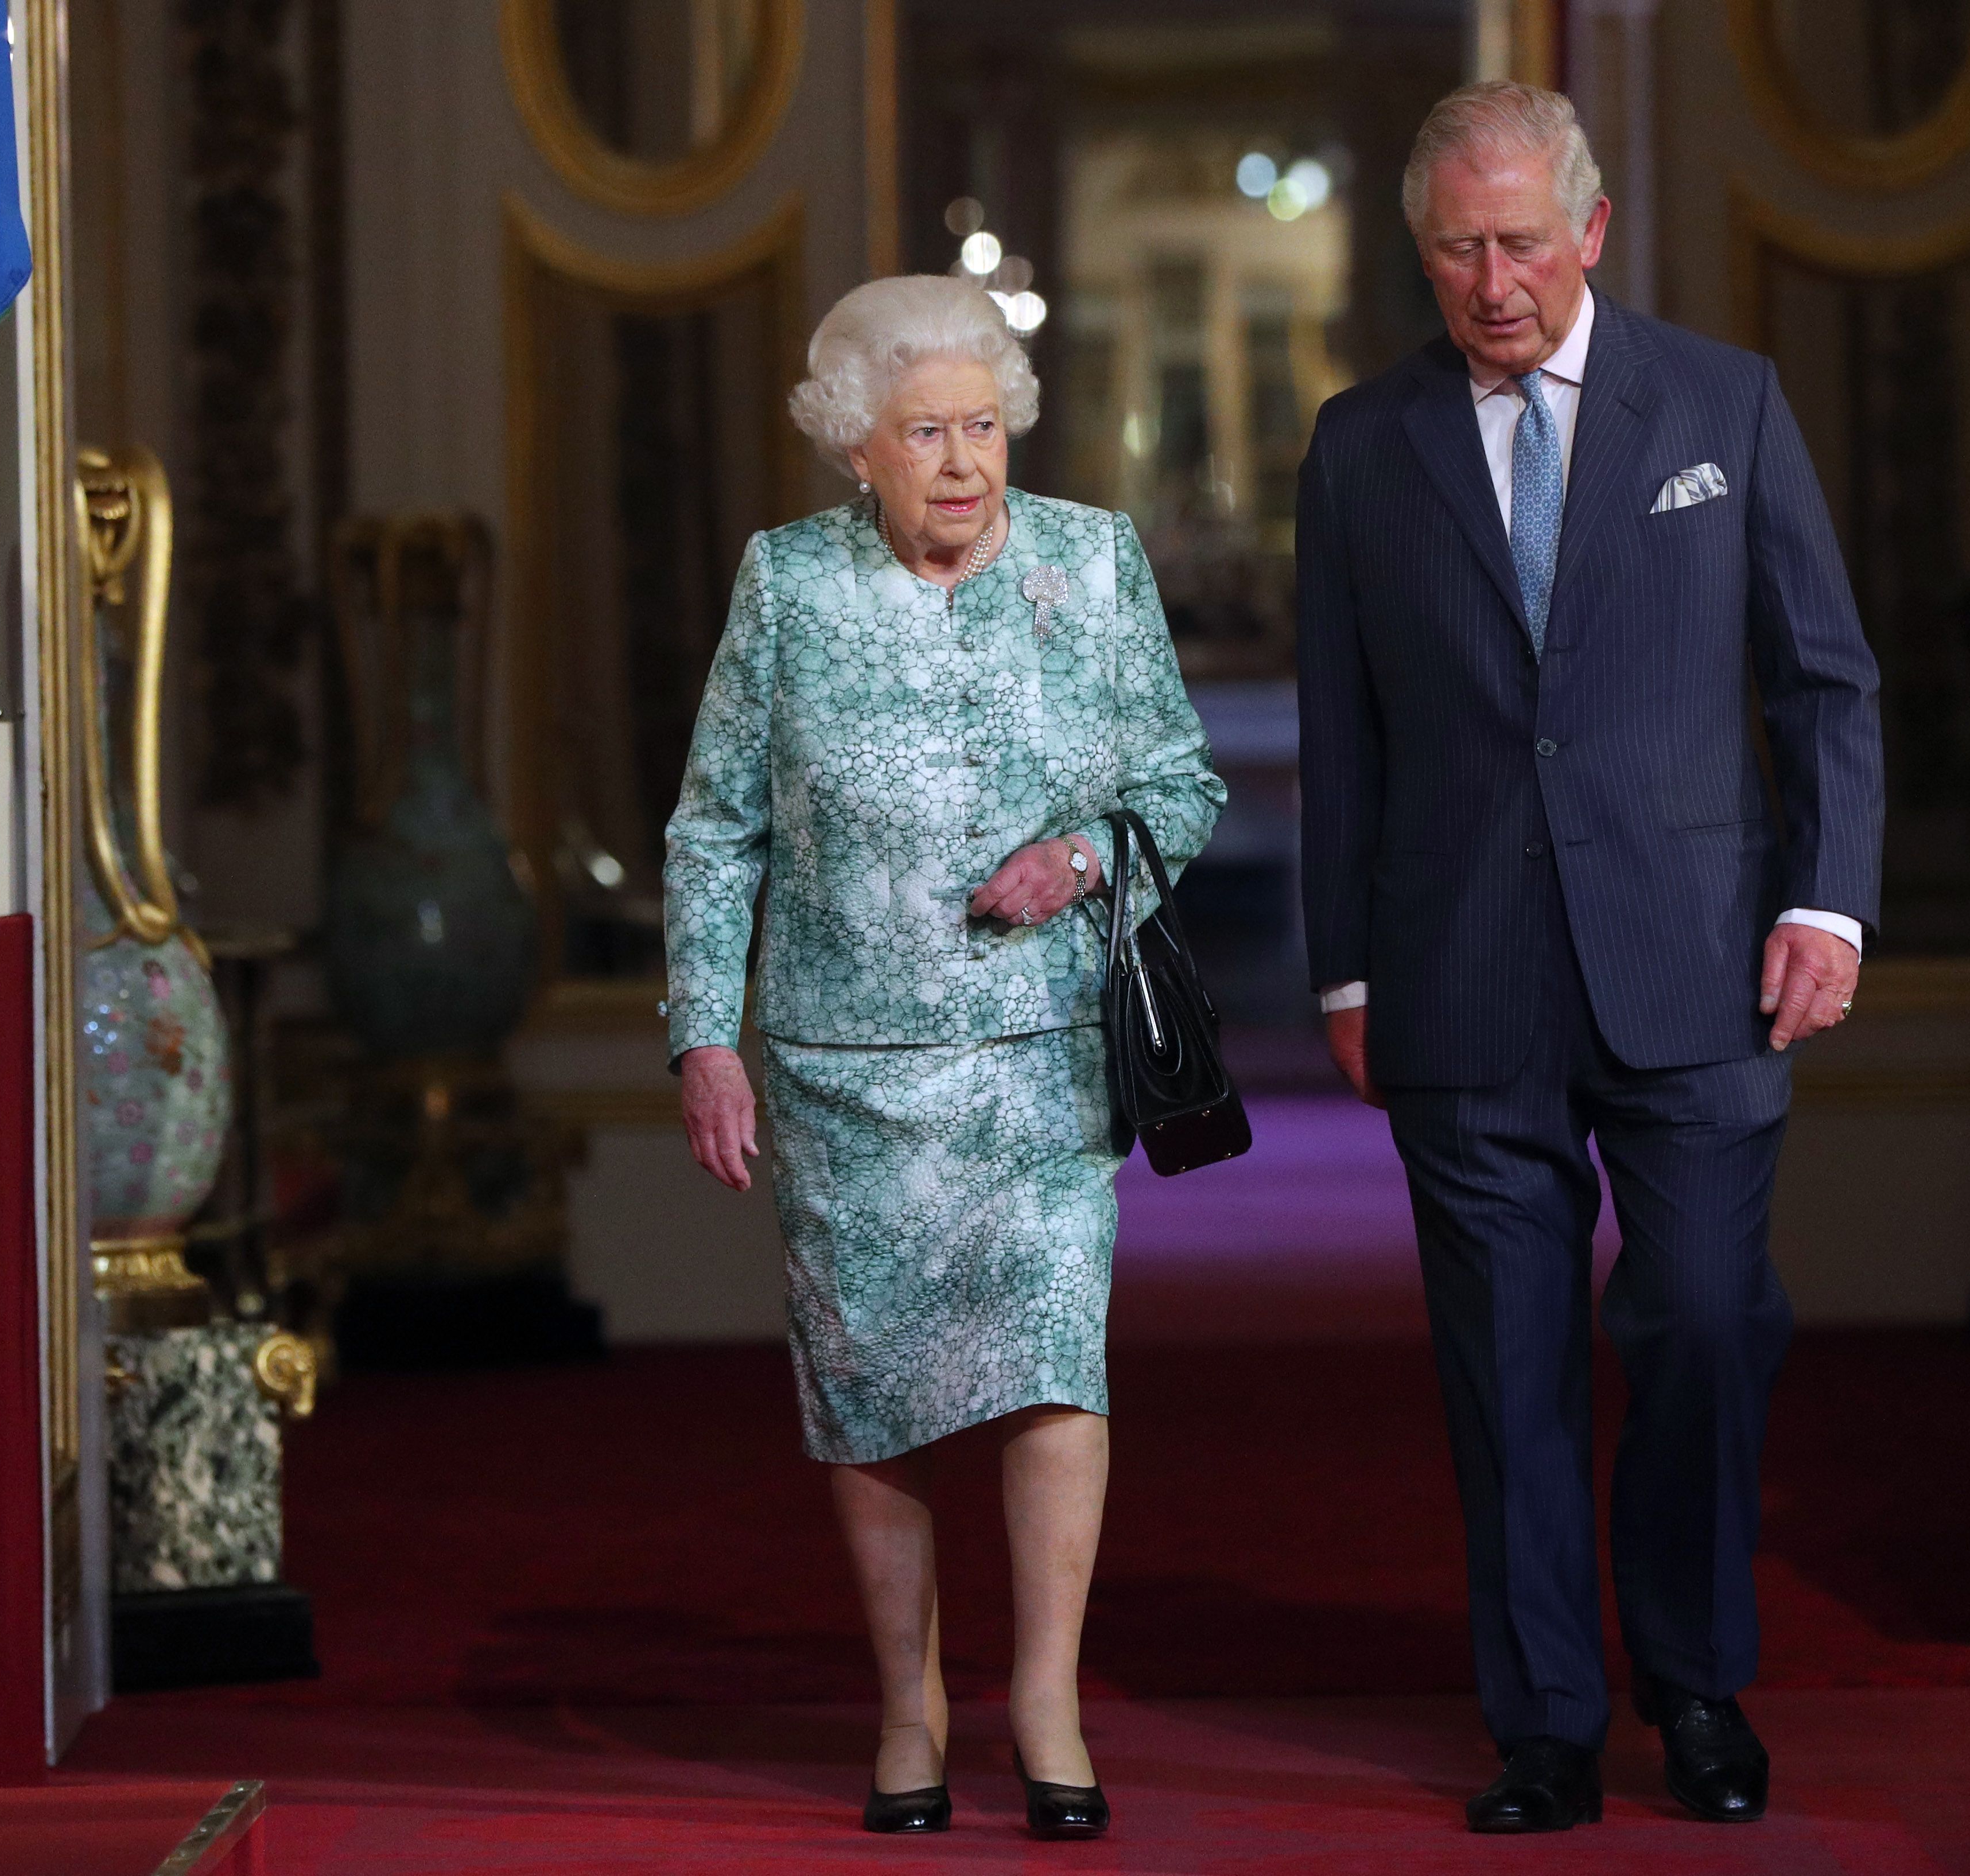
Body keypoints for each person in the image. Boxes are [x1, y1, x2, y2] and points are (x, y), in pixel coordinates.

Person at [1296, 82, 1882, 1833]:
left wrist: (1826, 899)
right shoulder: (1358, 441)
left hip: (1697, 956)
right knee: (1507, 1356)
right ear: (1422, 250)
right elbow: (1341, 733)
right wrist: (1343, 974)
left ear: (1592, 231)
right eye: (1457, 249)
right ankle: (1543, 1715)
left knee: (1704, 1315)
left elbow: (1824, 679)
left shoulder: (1720, 401)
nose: (1492, 282)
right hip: (1458, 962)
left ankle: (1693, 1680)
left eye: (1521, 243)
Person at [665, 275, 1225, 1840]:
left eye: (982, 425)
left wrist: (1088, 856)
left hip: (1045, 1058)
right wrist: (702, 1033)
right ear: (857, 447)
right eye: (927, 432)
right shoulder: (785, 587)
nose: (964, 462)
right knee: (876, 1393)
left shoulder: (1091, 561)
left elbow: (1181, 786)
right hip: (848, 1062)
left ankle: (1045, 1696)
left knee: (1056, 1365)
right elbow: (717, 832)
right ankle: (907, 1703)